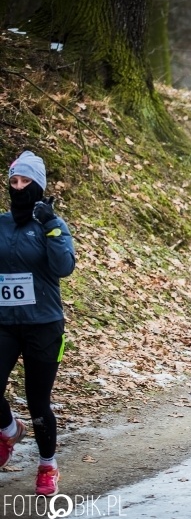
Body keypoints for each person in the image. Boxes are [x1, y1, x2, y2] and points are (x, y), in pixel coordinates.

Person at [0, 151, 75, 496]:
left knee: (37, 401)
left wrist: (51, 226)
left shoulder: (51, 224)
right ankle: (10, 430)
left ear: (38, 185)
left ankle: (48, 466)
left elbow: (63, 268)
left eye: (25, 181)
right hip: (4, 322)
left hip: (44, 324)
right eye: (13, 181)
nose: (18, 187)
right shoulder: (1, 223)